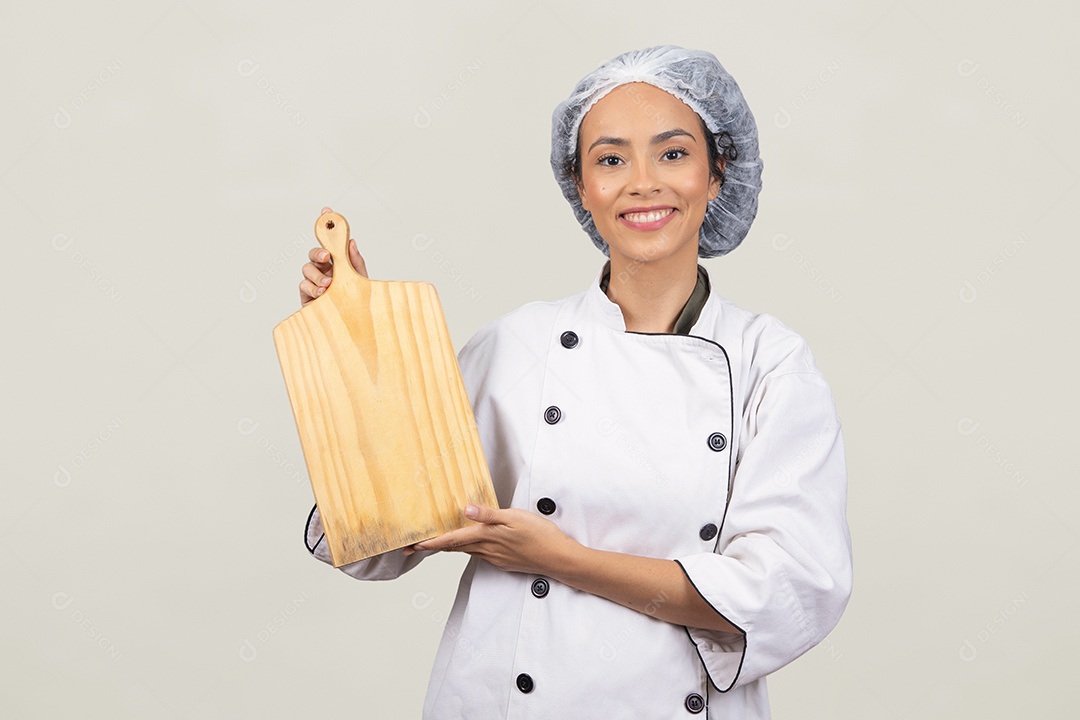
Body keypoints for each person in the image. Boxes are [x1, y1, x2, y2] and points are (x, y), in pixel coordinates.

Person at [298, 45, 852, 719]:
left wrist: (564, 560)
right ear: (581, 186)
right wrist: (355, 352)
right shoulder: (516, 345)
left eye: (673, 154)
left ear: (717, 173)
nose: (643, 182)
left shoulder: (771, 363)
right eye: (611, 159)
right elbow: (378, 537)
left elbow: (785, 592)